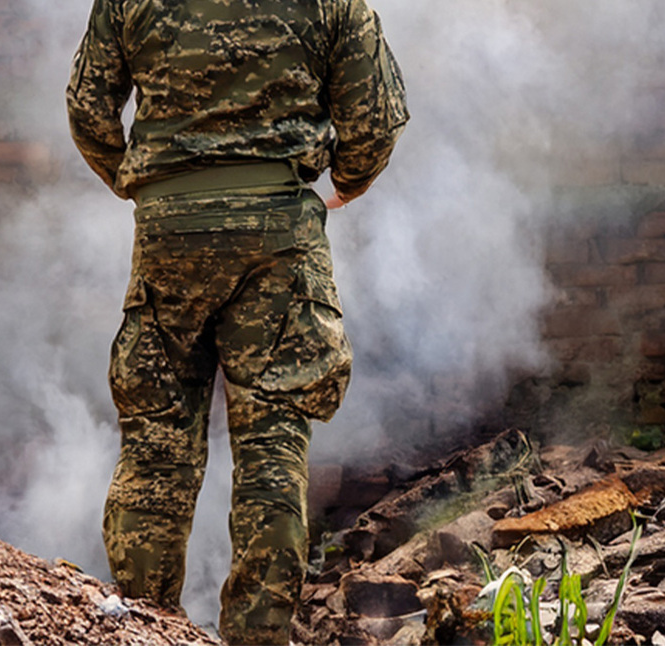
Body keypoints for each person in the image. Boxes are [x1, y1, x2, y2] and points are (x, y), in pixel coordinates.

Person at [65, 0, 408, 643]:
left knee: (156, 446)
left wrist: (147, 186)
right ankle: (258, 636)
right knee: (273, 446)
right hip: (279, 232)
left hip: (169, 235)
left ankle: (141, 630)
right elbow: (375, 122)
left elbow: (88, 109)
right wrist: (343, 182)